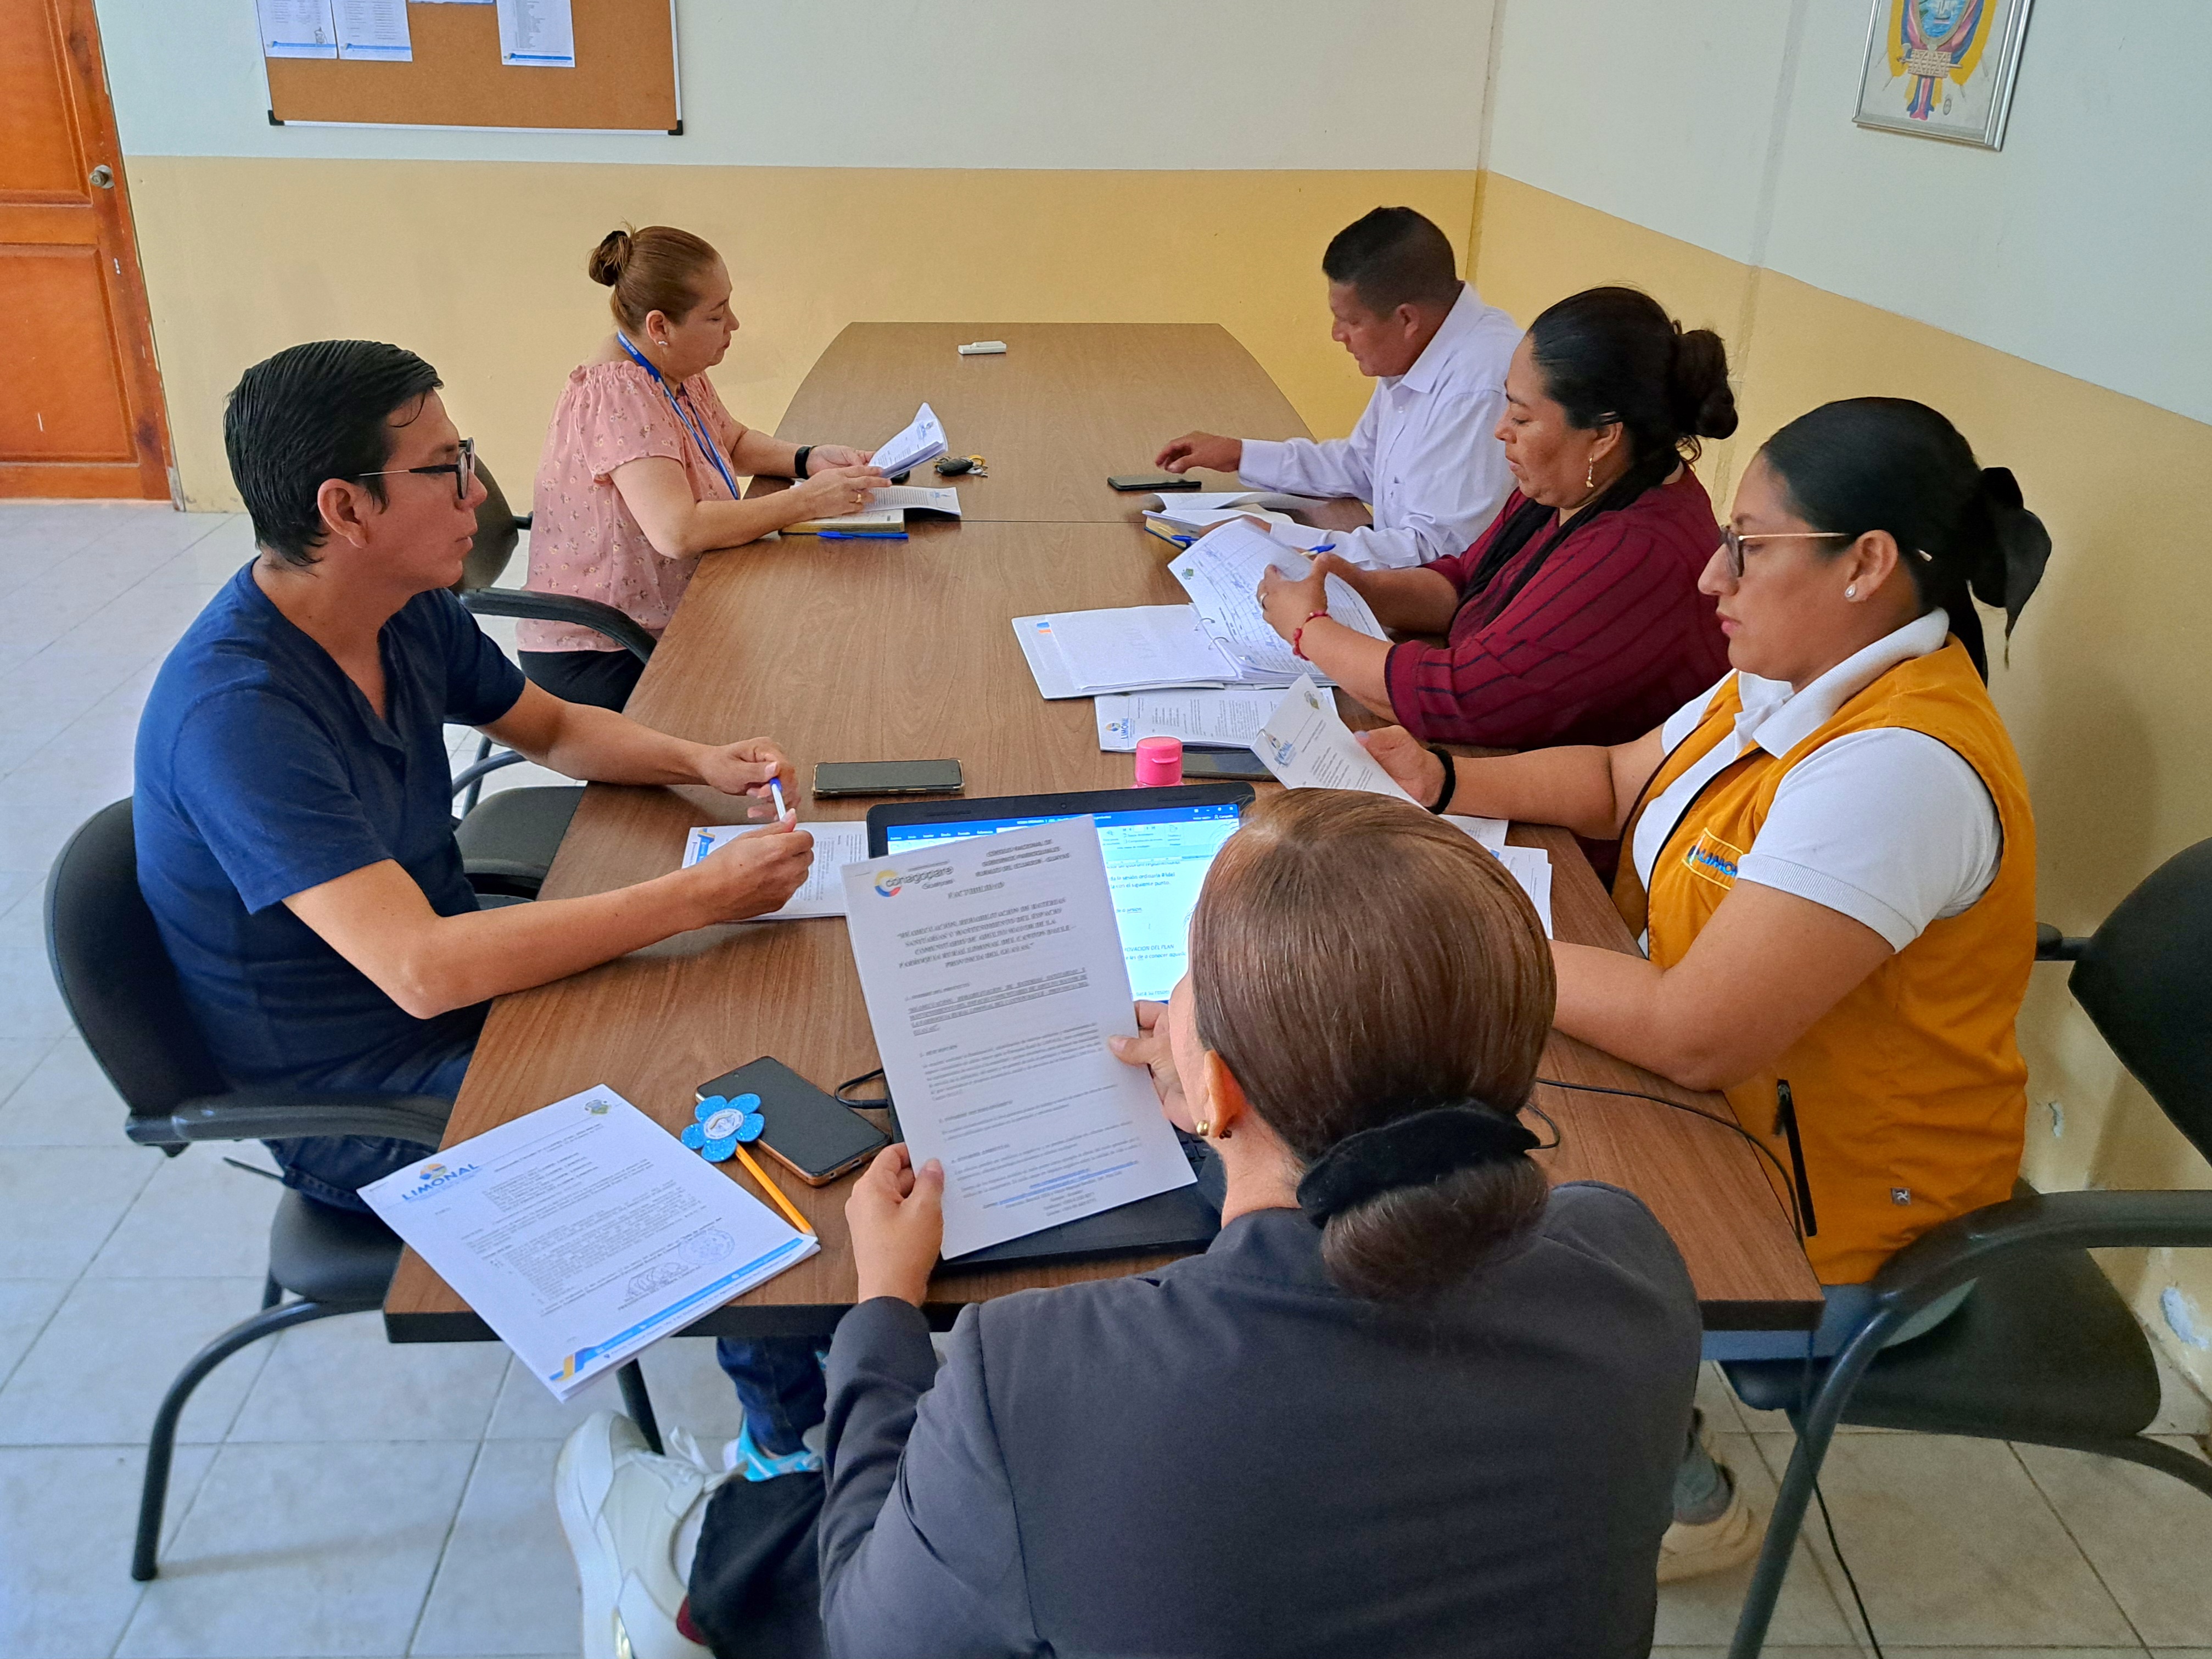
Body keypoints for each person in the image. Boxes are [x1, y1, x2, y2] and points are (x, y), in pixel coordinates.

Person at [553, 791, 1703, 1659]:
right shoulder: (1627, 1260)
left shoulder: (1030, 1382)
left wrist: (886, 1308)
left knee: (669, 1512)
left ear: (1218, 1085)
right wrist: (1227, 1125)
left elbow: (861, 1627)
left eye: (1186, 976)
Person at [1358, 396, 2052, 1579]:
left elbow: (1691, 1032)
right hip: (1732, 1116)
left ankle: (1674, 1497)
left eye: (1747, 544)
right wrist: (1439, 777)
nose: (1707, 576)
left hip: (1834, 1221)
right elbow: (1619, 777)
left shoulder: (1896, 767)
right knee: (1431, 1119)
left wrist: (1455, 937)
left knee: (1457, 1230)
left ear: (1864, 565)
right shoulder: (1791, 673)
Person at [134, 339, 828, 1467]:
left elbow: (549, 725)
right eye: (446, 468)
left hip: (456, 1000)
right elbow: (423, 969)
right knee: (721, 1132)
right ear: (345, 508)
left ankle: (807, 1357)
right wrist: (693, 895)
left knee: (742, 1031)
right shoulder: (240, 712)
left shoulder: (402, 604)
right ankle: (786, 1453)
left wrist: (700, 760)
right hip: (362, 1091)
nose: (478, 493)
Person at [1256, 285, 1736, 751]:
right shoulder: (1577, 482)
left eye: (1522, 418)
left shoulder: (1637, 550)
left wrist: (1308, 629)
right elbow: (1471, 581)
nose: (1500, 429)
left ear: (1602, 436)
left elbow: (1460, 699)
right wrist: (1361, 588)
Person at [517, 225, 885, 710]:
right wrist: (806, 501)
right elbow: (678, 531)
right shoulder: (620, 394)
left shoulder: (669, 368)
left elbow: (729, 440)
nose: (734, 324)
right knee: (802, 681)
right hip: (606, 646)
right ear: (660, 327)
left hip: (671, 613)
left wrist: (807, 458)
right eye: (715, 315)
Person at [1153, 206, 1519, 571]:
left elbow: (1440, 555)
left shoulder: (1479, 387)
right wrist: (1239, 455)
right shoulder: (1422, 345)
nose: (1336, 334)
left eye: (1350, 321)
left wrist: (1275, 539)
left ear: (1406, 318)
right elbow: (1362, 465)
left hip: (1448, 592)